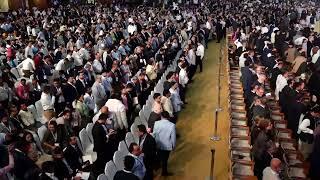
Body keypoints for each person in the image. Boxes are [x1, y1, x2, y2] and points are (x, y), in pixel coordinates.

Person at [153, 111, 176, 176]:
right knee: (165, 160)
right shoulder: (172, 125)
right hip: (166, 146)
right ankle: (164, 172)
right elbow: (173, 138)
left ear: (161, 116)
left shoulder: (156, 123)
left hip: (158, 144)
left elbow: (154, 134)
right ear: (168, 117)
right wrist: (173, 147)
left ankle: (157, 166)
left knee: (158, 156)